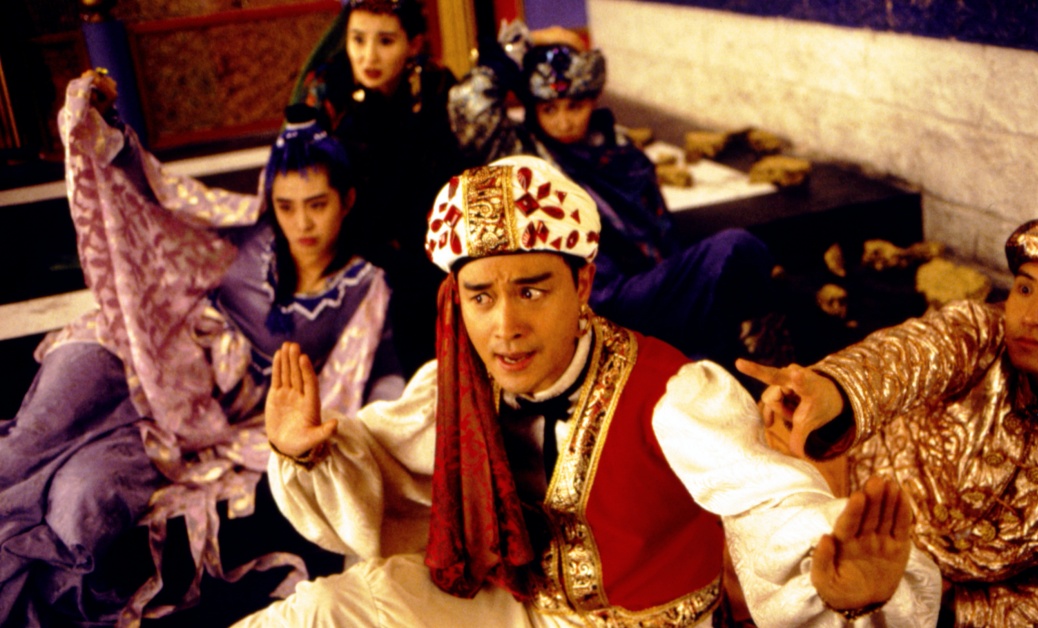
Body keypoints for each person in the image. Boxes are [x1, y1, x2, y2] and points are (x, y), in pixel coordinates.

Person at [233, 155, 941, 627]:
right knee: (316, 614)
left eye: (531, 290)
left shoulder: (673, 394)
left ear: (583, 285)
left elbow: (771, 499)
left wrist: (835, 580)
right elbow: (374, 455)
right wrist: (305, 453)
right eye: (481, 297)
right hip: (512, 608)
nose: (505, 327)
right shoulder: (456, 385)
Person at [0, 70, 405, 626]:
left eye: (317, 204)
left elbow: (380, 375)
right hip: (137, 353)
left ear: (347, 200)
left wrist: (386, 428)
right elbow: (152, 197)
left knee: (79, 510)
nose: (301, 223)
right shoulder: (248, 232)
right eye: (286, 205)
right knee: (31, 439)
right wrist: (106, 122)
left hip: (200, 423)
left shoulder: (363, 288)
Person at [740, 200, 1038, 626]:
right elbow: (908, 356)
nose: (1031, 315)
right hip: (848, 493)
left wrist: (934, 603)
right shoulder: (980, 335)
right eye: (1025, 288)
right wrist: (835, 390)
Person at [449, 22, 782, 368]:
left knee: (730, 274)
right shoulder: (524, 155)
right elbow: (468, 103)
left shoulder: (618, 147)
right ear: (533, 109)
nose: (563, 121)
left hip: (648, 285)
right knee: (733, 248)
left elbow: (661, 231)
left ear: (593, 101)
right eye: (549, 109)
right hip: (593, 300)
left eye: (575, 106)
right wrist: (524, 43)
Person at [294, 0, 462, 374]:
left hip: (423, 235)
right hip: (348, 234)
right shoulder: (327, 90)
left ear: (413, 44)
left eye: (385, 41)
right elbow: (311, 182)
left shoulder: (434, 86)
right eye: (358, 40)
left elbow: (447, 176)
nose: (368, 56)